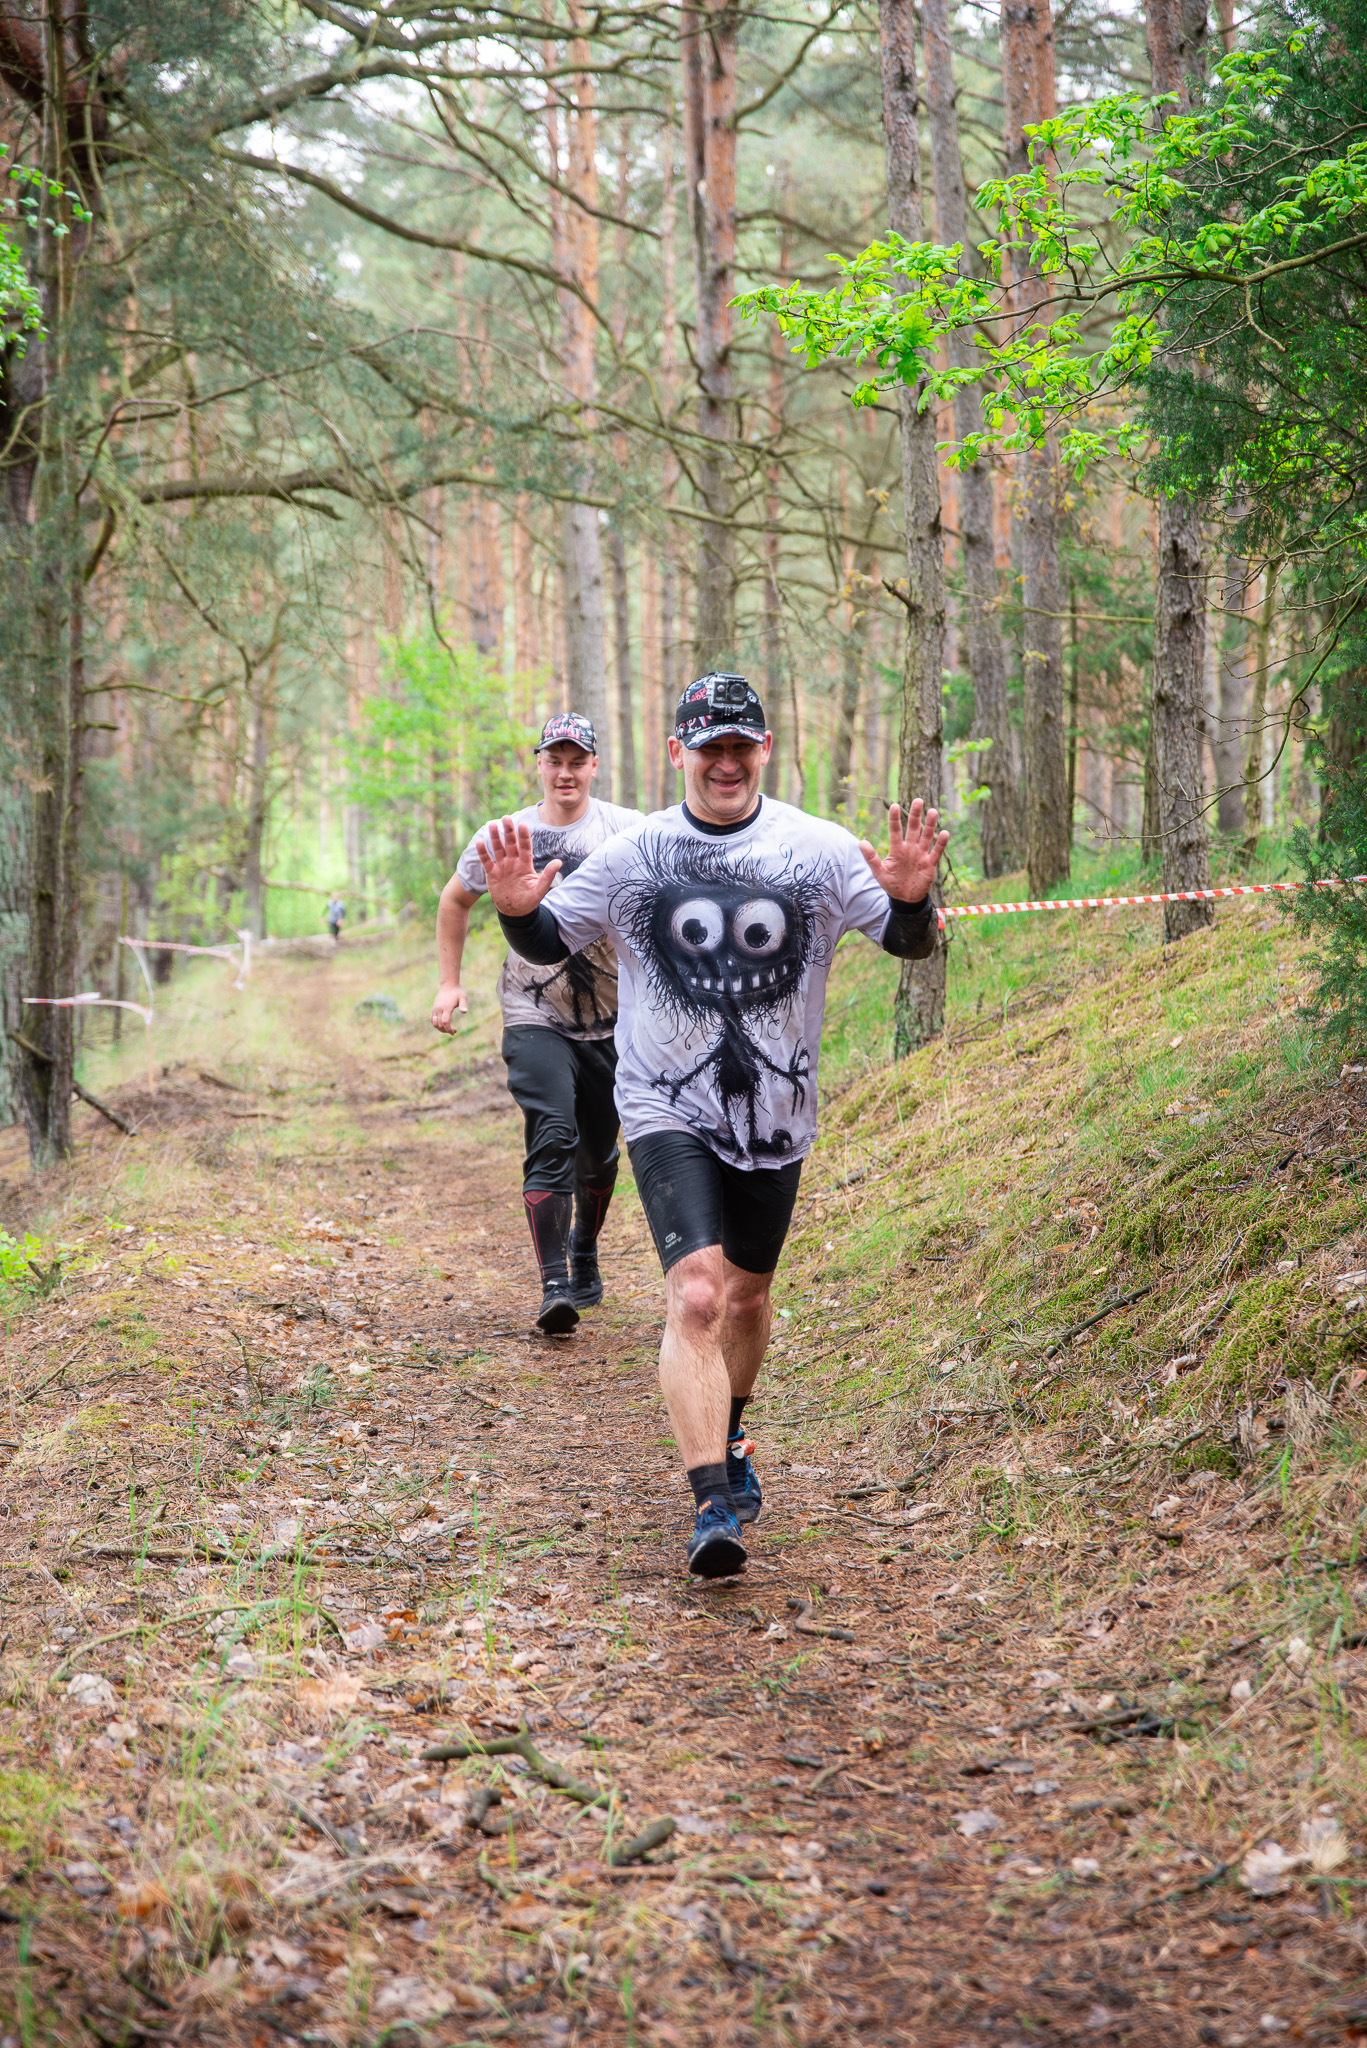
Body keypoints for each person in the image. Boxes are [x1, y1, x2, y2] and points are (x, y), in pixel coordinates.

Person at [474, 671, 949, 1578]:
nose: (725, 763)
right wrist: (514, 910)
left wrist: (911, 899)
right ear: (677, 753)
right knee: (696, 1294)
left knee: (746, 1299)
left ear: (764, 749)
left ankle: (730, 1436)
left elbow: (908, 943)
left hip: (776, 1112)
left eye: (740, 746)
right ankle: (709, 1506)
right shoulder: (635, 852)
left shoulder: (816, 847)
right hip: (662, 1102)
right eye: (708, 748)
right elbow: (547, 939)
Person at [432, 713, 644, 1335]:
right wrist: (449, 982)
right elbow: (455, 899)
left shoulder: (628, 831)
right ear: (540, 765)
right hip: (533, 1011)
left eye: (577, 761)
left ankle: (584, 1249)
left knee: (597, 1156)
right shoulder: (506, 835)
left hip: (612, 1019)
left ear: (595, 766)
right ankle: (555, 1286)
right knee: (553, 1132)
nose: (566, 772)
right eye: (555, 760)